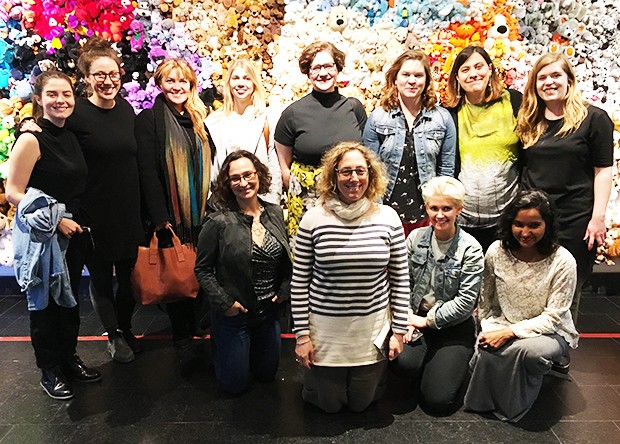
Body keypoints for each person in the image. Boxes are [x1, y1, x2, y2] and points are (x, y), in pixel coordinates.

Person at [22, 37, 144, 363]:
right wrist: (28, 124)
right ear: (87, 78)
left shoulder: (127, 110)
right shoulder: (77, 116)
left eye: (113, 74)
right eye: (99, 75)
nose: (107, 81)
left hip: (129, 210)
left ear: (120, 74)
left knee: (131, 279)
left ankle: (124, 326)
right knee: (101, 278)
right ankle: (114, 334)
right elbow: (51, 135)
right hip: (93, 212)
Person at [291, 141, 409, 413]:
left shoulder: (388, 218)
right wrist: (302, 337)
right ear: (333, 176)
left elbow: (401, 279)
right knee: (329, 405)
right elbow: (299, 284)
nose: (354, 178)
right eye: (345, 172)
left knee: (361, 404)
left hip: (370, 331)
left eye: (360, 171)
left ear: (370, 174)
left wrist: (399, 331)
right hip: (325, 333)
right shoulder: (313, 220)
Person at [7, 70, 101, 400]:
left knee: (69, 301)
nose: (60, 101)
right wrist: (55, 218)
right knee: (44, 305)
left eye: (66, 95)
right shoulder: (31, 139)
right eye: (52, 95)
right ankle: (49, 370)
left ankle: (67, 358)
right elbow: (13, 192)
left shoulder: (70, 134)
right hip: (43, 236)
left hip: (72, 233)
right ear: (38, 99)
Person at [464, 190, 579, 422]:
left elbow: (554, 317)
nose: (525, 233)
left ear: (547, 225)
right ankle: (485, 401)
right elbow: (486, 300)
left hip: (549, 332)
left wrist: (510, 333)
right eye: (518, 224)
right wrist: (488, 329)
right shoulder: (496, 251)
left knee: (526, 352)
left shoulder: (563, 261)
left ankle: (513, 406)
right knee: (489, 347)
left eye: (534, 225)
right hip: (503, 321)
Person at [518, 52, 613, 325]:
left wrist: (597, 218)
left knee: (566, 295)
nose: (549, 82)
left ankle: (558, 360)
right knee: (533, 291)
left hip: (574, 219)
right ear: (534, 83)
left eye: (556, 75)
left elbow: (603, 170)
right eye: (542, 77)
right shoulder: (529, 120)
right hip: (533, 222)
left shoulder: (593, 118)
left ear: (569, 80)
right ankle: (531, 355)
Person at [135, 58, 214, 361]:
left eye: (183, 81)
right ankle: (183, 338)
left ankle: (196, 330)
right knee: (178, 276)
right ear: (160, 84)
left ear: (192, 85)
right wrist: (160, 219)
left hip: (199, 213)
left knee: (198, 272)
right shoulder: (149, 120)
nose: (177, 87)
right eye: (170, 81)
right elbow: (147, 172)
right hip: (171, 215)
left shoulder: (196, 119)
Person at [195, 151, 292, 394]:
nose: (243, 182)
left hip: (267, 313)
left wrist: (284, 290)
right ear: (227, 183)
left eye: (248, 174)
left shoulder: (275, 212)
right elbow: (203, 269)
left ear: (258, 174)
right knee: (234, 386)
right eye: (235, 178)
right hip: (235, 314)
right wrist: (225, 303)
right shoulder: (217, 222)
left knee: (266, 375)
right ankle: (220, 343)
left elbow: (287, 259)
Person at [391, 176, 483, 415]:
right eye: (434, 208)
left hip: (453, 327)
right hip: (414, 320)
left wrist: (427, 321)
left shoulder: (471, 249)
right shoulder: (415, 239)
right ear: (426, 208)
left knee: (437, 402)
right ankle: (424, 365)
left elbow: (466, 302)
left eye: (446, 208)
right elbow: (402, 283)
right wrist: (406, 319)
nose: (439, 215)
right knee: (402, 368)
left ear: (459, 210)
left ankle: (448, 365)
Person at [275, 41, 367, 243]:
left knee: (345, 251)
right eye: (316, 67)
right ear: (308, 73)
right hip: (307, 200)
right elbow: (284, 164)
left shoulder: (354, 108)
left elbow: (364, 154)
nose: (323, 73)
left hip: (348, 195)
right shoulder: (293, 113)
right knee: (307, 255)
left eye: (328, 66)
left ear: (338, 69)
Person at [363, 50, 456, 238]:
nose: (412, 81)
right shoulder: (378, 117)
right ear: (395, 79)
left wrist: (440, 210)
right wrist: (376, 211)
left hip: (427, 212)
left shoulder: (442, 118)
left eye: (418, 75)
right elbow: (370, 169)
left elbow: (446, 170)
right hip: (387, 211)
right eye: (406, 75)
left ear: (427, 80)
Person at [444, 45, 522, 251]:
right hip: (464, 218)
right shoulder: (450, 113)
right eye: (465, 69)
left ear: (490, 69)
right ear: (457, 78)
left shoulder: (514, 101)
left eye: (478, 66)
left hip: (508, 218)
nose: (473, 74)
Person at [206, 58, 282, 204]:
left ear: (254, 83)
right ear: (229, 83)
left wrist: (273, 204)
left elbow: (273, 166)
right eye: (236, 78)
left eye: (247, 78)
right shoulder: (213, 122)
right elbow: (211, 169)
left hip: (260, 202)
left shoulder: (267, 120)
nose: (241, 83)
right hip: (225, 204)